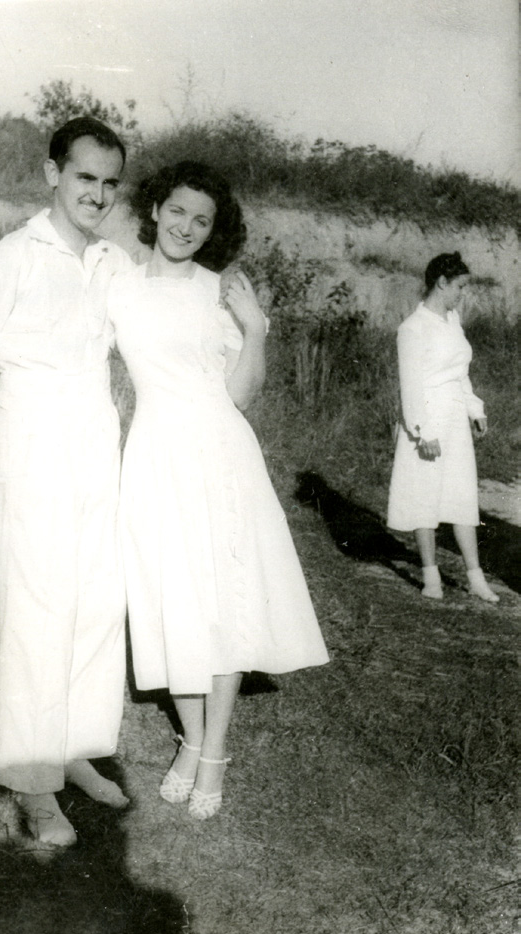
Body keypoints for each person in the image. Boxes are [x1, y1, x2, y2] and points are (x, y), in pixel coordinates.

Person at [108, 161, 329, 820]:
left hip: (219, 452)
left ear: (213, 231)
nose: (185, 227)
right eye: (176, 211)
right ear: (154, 210)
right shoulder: (118, 286)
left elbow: (238, 392)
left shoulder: (220, 291)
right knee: (168, 593)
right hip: (152, 454)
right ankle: (191, 737)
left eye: (201, 220)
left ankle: (213, 754)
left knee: (223, 598)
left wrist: (255, 328)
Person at [0, 117, 132, 847]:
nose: (98, 193)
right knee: (41, 606)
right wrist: (3, 420)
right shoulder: (13, 255)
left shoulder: (109, 260)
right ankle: (33, 784)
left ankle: (76, 748)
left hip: (95, 439)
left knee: (94, 600)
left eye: (111, 182)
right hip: (34, 439)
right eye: (85, 177)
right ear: (53, 174)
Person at [387, 252, 499, 603]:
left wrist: (473, 409)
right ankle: (431, 576)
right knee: (425, 494)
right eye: (460, 286)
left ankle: (475, 577)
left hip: (454, 417)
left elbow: (460, 373)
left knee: (461, 494)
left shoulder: (453, 320)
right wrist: (422, 431)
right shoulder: (412, 328)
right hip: (428, 417)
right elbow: (412, 385)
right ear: (442, 283)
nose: (462, 294)